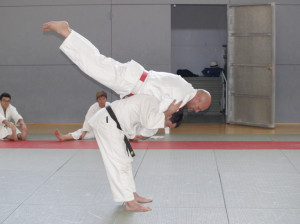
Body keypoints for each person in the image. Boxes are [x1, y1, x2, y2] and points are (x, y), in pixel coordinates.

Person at [42, 21, 211, 115]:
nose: (196, 111)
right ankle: (67, 31)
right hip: (131, 82)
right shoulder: (182, 95)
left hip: (133, 82)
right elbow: (157, 111)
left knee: (95, 64)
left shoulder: (183, 88)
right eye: (198, 108)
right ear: (198, 99)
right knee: (94, 64)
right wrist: (165, 115)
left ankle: (68, 32)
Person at [87, 94, 182, 212]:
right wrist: (168, 112)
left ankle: (132, 195)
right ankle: (129, 203)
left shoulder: (155, 111)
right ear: (170, 114)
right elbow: (149, 125)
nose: (163, 126)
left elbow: (144, 130)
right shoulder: (153, 104)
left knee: (126, 162)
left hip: (115, 126)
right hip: (107, 123)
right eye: (167, 124)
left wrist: (142, 135)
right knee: (119, 164)